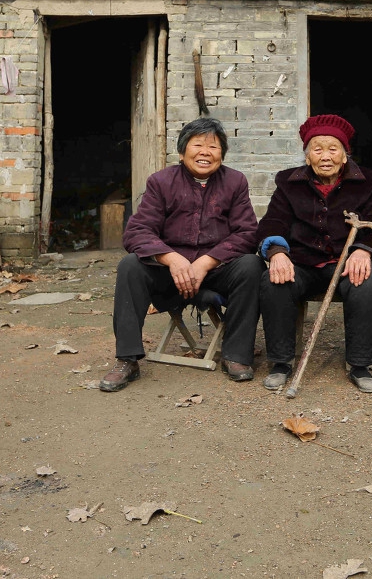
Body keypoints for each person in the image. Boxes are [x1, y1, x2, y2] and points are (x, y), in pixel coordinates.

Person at [100, 117, 263, 391]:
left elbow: (247, 233)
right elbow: (137, 231)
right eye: (197, 145)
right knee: (130, 266)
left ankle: (236, 355)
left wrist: (207, 261)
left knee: (251, 265)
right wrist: (171, 258)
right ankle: (127, 359)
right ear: (181, 152)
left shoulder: (235, 182)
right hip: (169, 275)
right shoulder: (161, 182)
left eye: (213, 146)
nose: (205, 152)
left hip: (215, 273)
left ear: (221, 153)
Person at [256, 114, 372, 393]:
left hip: (347, 263)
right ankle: (281, 362)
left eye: (333, 149)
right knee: (274, 280)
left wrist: (364, 252)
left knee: (366, 281)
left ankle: (360, 365)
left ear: (345, 156)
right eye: (317, 149)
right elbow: (272, 223)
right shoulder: (289, 183)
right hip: (302, 263)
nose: (325, 156)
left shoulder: (367, 182)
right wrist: (276, 252)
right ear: (307, 157)